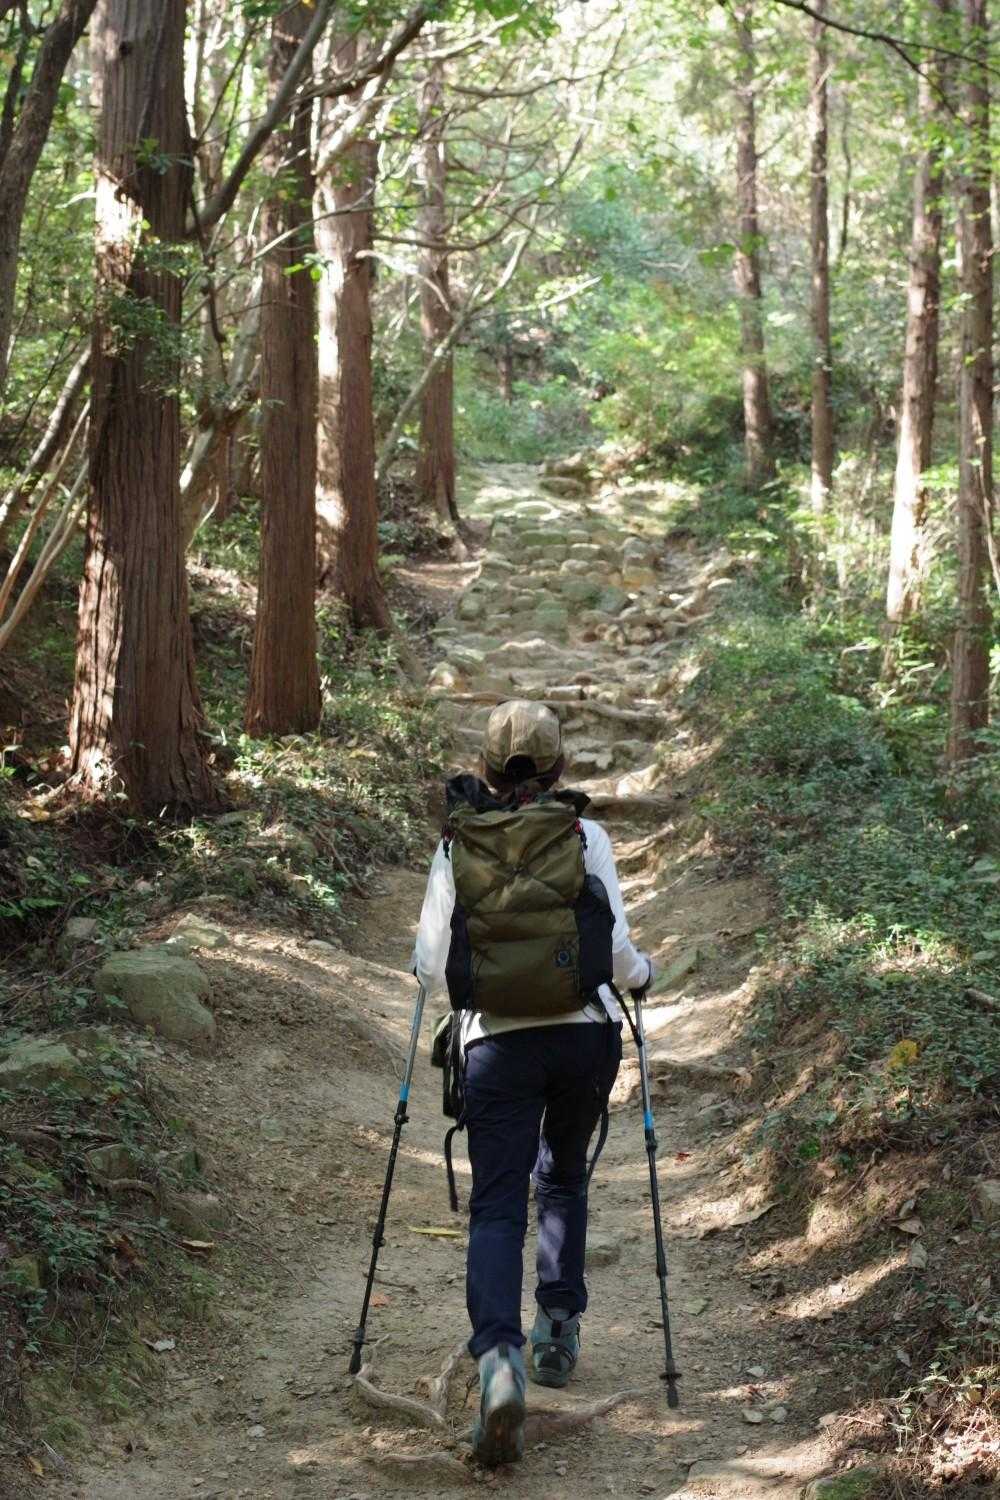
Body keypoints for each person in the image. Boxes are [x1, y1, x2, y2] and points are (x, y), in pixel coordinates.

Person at [412, 699, 653, 1466]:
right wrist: (642, 976)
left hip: (496, 1046)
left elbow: (427, 964)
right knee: (564, 1177)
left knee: (495, 1204)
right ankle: (557, 1330)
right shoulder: (584, 836)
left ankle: (499, 1360)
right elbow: (615, 950)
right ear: (559, 769)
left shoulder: (459, 842)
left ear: (485, 769)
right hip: (584, 1038)